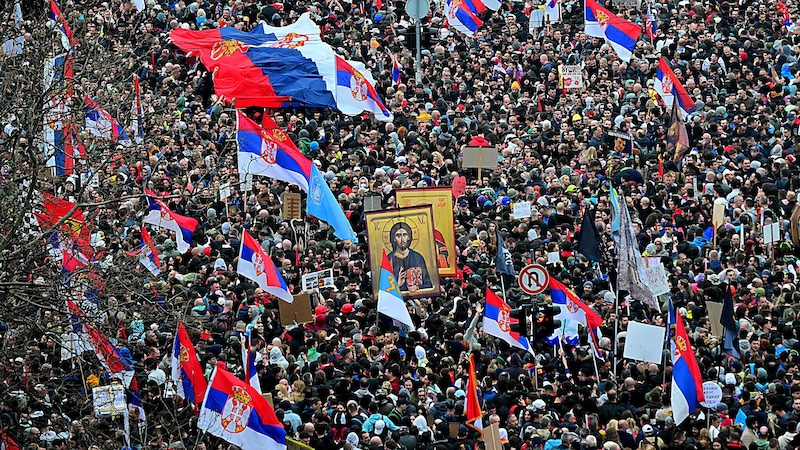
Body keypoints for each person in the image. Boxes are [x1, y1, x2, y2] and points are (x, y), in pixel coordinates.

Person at [386, 222, 432, 292]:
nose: (402, 239)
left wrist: (418, 287)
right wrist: (397, 286)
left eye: (404, 235)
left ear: (409, 237)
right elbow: (385, 287)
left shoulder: (417, 257)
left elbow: (427, 283)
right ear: (394, 238)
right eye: (398, 236)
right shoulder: (389, 259)